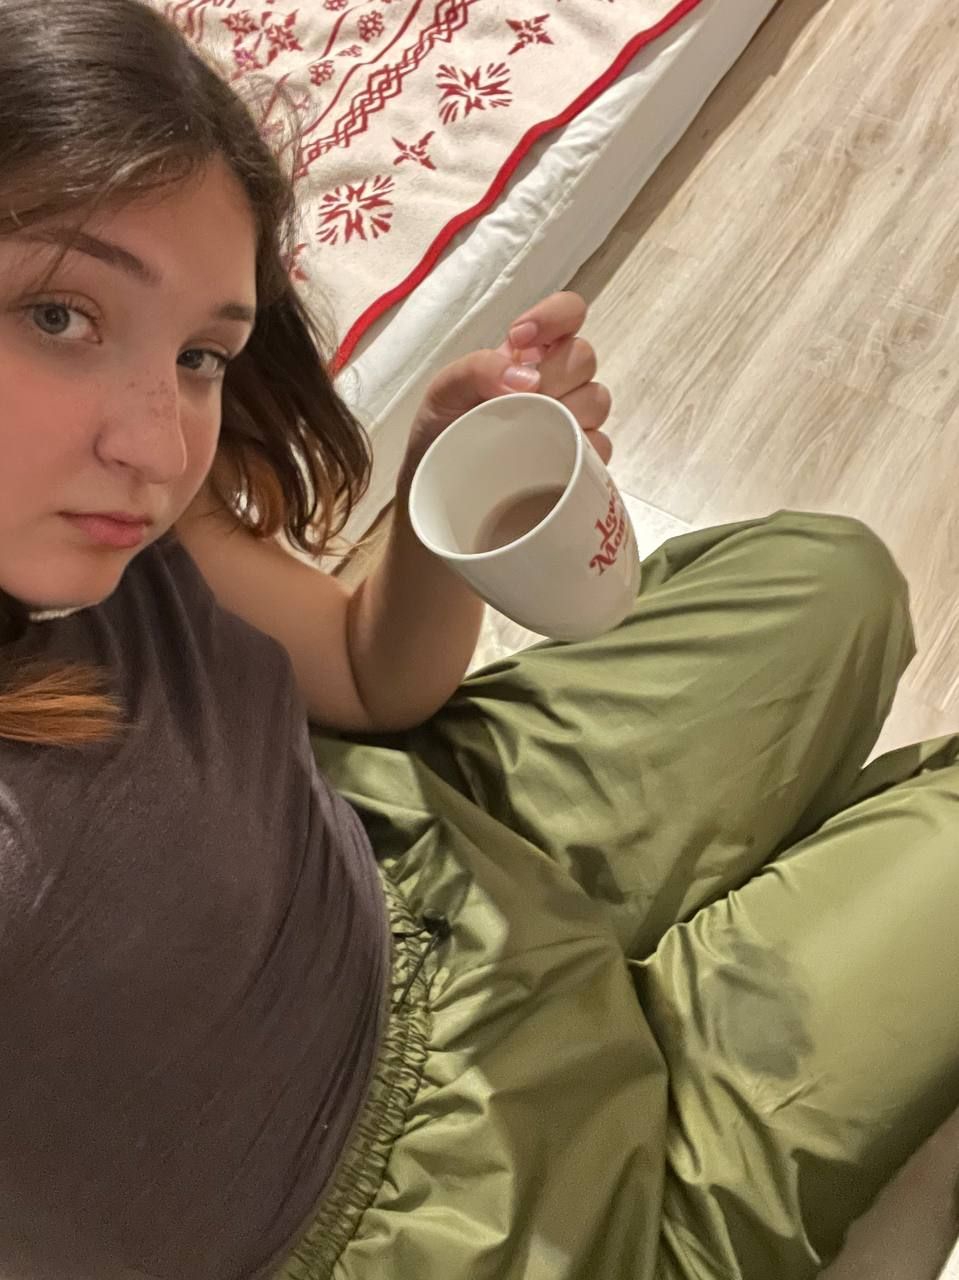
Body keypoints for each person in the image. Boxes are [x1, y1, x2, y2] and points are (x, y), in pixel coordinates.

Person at [1, 1, 957, 1277]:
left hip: (417, 865)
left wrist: (439, 495)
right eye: (59, 315)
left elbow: (364, 672)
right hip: (463, 1228)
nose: (158, 442)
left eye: (199, 353)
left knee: (827, 577)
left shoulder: (130, 528)